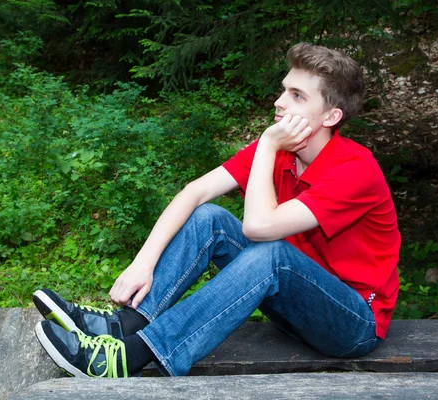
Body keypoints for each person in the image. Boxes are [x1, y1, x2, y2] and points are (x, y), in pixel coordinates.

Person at [33, 42, 402, 378]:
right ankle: (125, 325)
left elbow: (259, 227)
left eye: (296, 95)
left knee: (273, 254)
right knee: (209, 218)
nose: (279, 102)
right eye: (283, 89)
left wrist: (268, 146)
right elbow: (195, 192)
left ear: (330, 117)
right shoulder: (280, 153)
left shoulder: (355, 169)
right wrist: (142, 264)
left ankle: (133, 356)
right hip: (294, 309)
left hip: (352, 324)